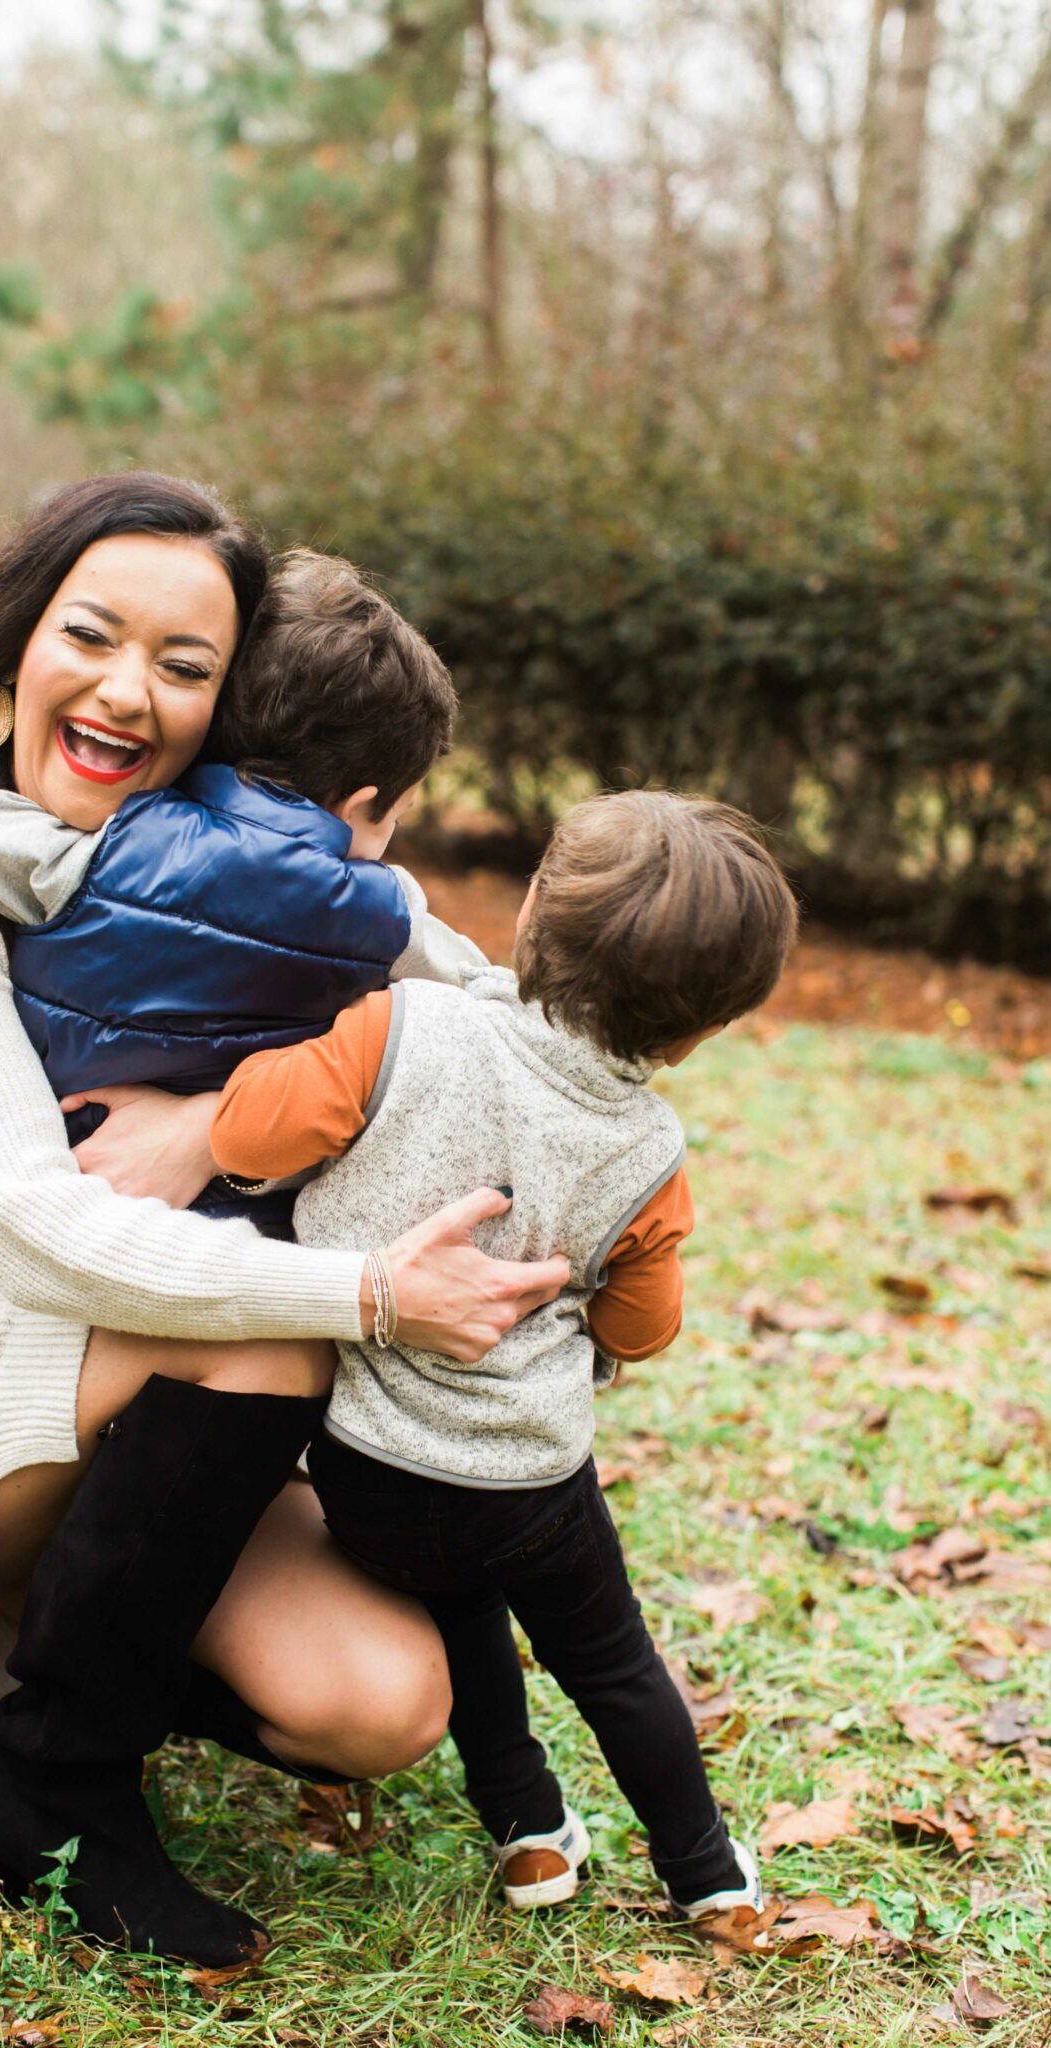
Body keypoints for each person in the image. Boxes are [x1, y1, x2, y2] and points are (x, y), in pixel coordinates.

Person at [0, 472, 569, 1968]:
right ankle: (47, 1792)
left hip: (91, 1400)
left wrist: (218, 1121)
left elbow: (480, 1017)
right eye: (92, 636)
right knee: (261, 1331)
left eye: (184, 668)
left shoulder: (216, 871)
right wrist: (366, 1293)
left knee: (381, 1703)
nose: (128, 691)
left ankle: (53, 1643)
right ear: (11, 647)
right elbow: (33, 1229)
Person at [207, 790, 799, 1919]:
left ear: (530, 915)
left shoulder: (402, 1027)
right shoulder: (648, 1151)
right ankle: (709, 1876)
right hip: (529, 1479)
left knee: (464, 1617)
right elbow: (641, 1329)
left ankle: (530, 1835)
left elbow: (245, 1135)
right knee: (613, 1664)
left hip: (371, 1468)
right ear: (698, 1034)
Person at [0, 546, 462, 1239]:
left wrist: (208, 1132)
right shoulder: (384, 919)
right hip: (245, 1233)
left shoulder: (96, 851)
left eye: (183, 668)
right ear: (364, 804)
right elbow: (497, 1015)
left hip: (84, 1204)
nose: (125, 693)